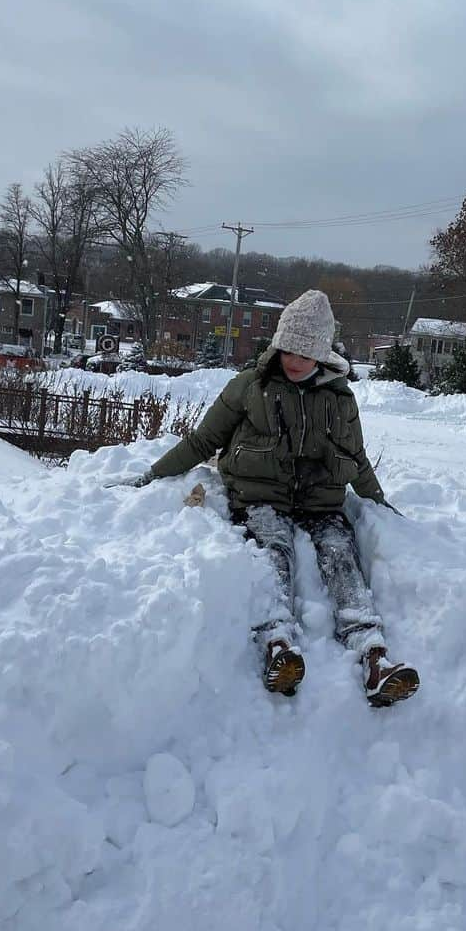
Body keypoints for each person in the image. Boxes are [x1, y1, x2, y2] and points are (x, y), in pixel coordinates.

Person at [126, 289, 419, 708]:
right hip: (261, 497)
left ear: (321, 353)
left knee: (340, 553)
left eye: (305, 352)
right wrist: (152, 476)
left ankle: (374, 655)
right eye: (288, 350)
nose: (294, 361)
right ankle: (278, 644)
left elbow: (356, 458)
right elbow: (205, 439)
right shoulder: (250, 386)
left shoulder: (339, 399)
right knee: (273, 550)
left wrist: (381, 506)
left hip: (320, 502)